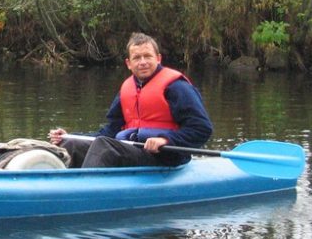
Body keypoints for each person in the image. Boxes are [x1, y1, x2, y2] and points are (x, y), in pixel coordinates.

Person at [48, 32, 212, 168]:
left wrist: (165, 140)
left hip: (167, 155)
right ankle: (57, 187)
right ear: (128, 63)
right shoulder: (127, 89)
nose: (143, 62)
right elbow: (109, 132)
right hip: (133, 150)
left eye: (147, 56)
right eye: (137, 58)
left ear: (158, 58)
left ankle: (83, 192)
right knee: (71, 146)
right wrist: (71, 136)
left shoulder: (177, 87)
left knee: (105, 147)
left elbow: (202, 129)